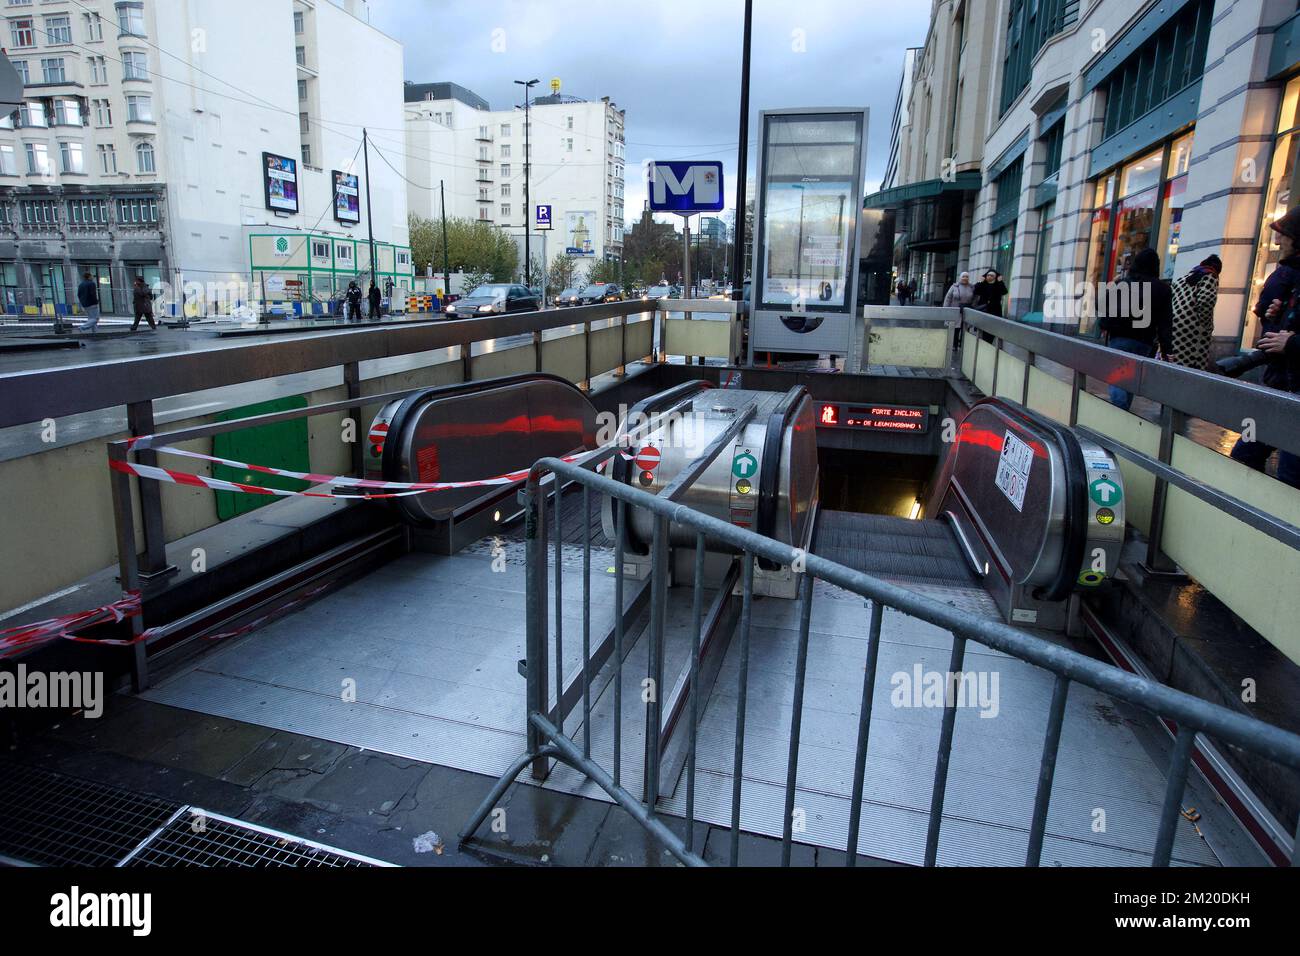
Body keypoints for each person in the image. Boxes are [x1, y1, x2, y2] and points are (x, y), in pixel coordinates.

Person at [1229, 207, 1300, 488]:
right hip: (1279, 388)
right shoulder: (1291, 277)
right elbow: (1275, 334)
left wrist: (1291, 342)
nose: (1279, 242)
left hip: (1292, 394)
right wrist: (1275, 318)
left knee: (1290, 477)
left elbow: (1288, 340)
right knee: (1244, 456)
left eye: (1285, 236)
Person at [1098, 247, 1174, 410]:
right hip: (1144, 342)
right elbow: (1165, 323)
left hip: (1120, 338)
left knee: (1118, 377)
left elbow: (1103, 306)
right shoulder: (1163, 289)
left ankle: (1119, 412)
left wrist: (1103, 325)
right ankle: (1123, 414)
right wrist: (1167, 349)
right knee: (1130, 380)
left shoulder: (1125, 284)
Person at [1168, 255, 1221, 371]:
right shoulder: (1210, 276)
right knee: (1189, 369)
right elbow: (1206, 301)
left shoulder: (1184, 278)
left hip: (1173, 326)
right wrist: (1206, 325)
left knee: (1173, 363)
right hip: (1192, 331)